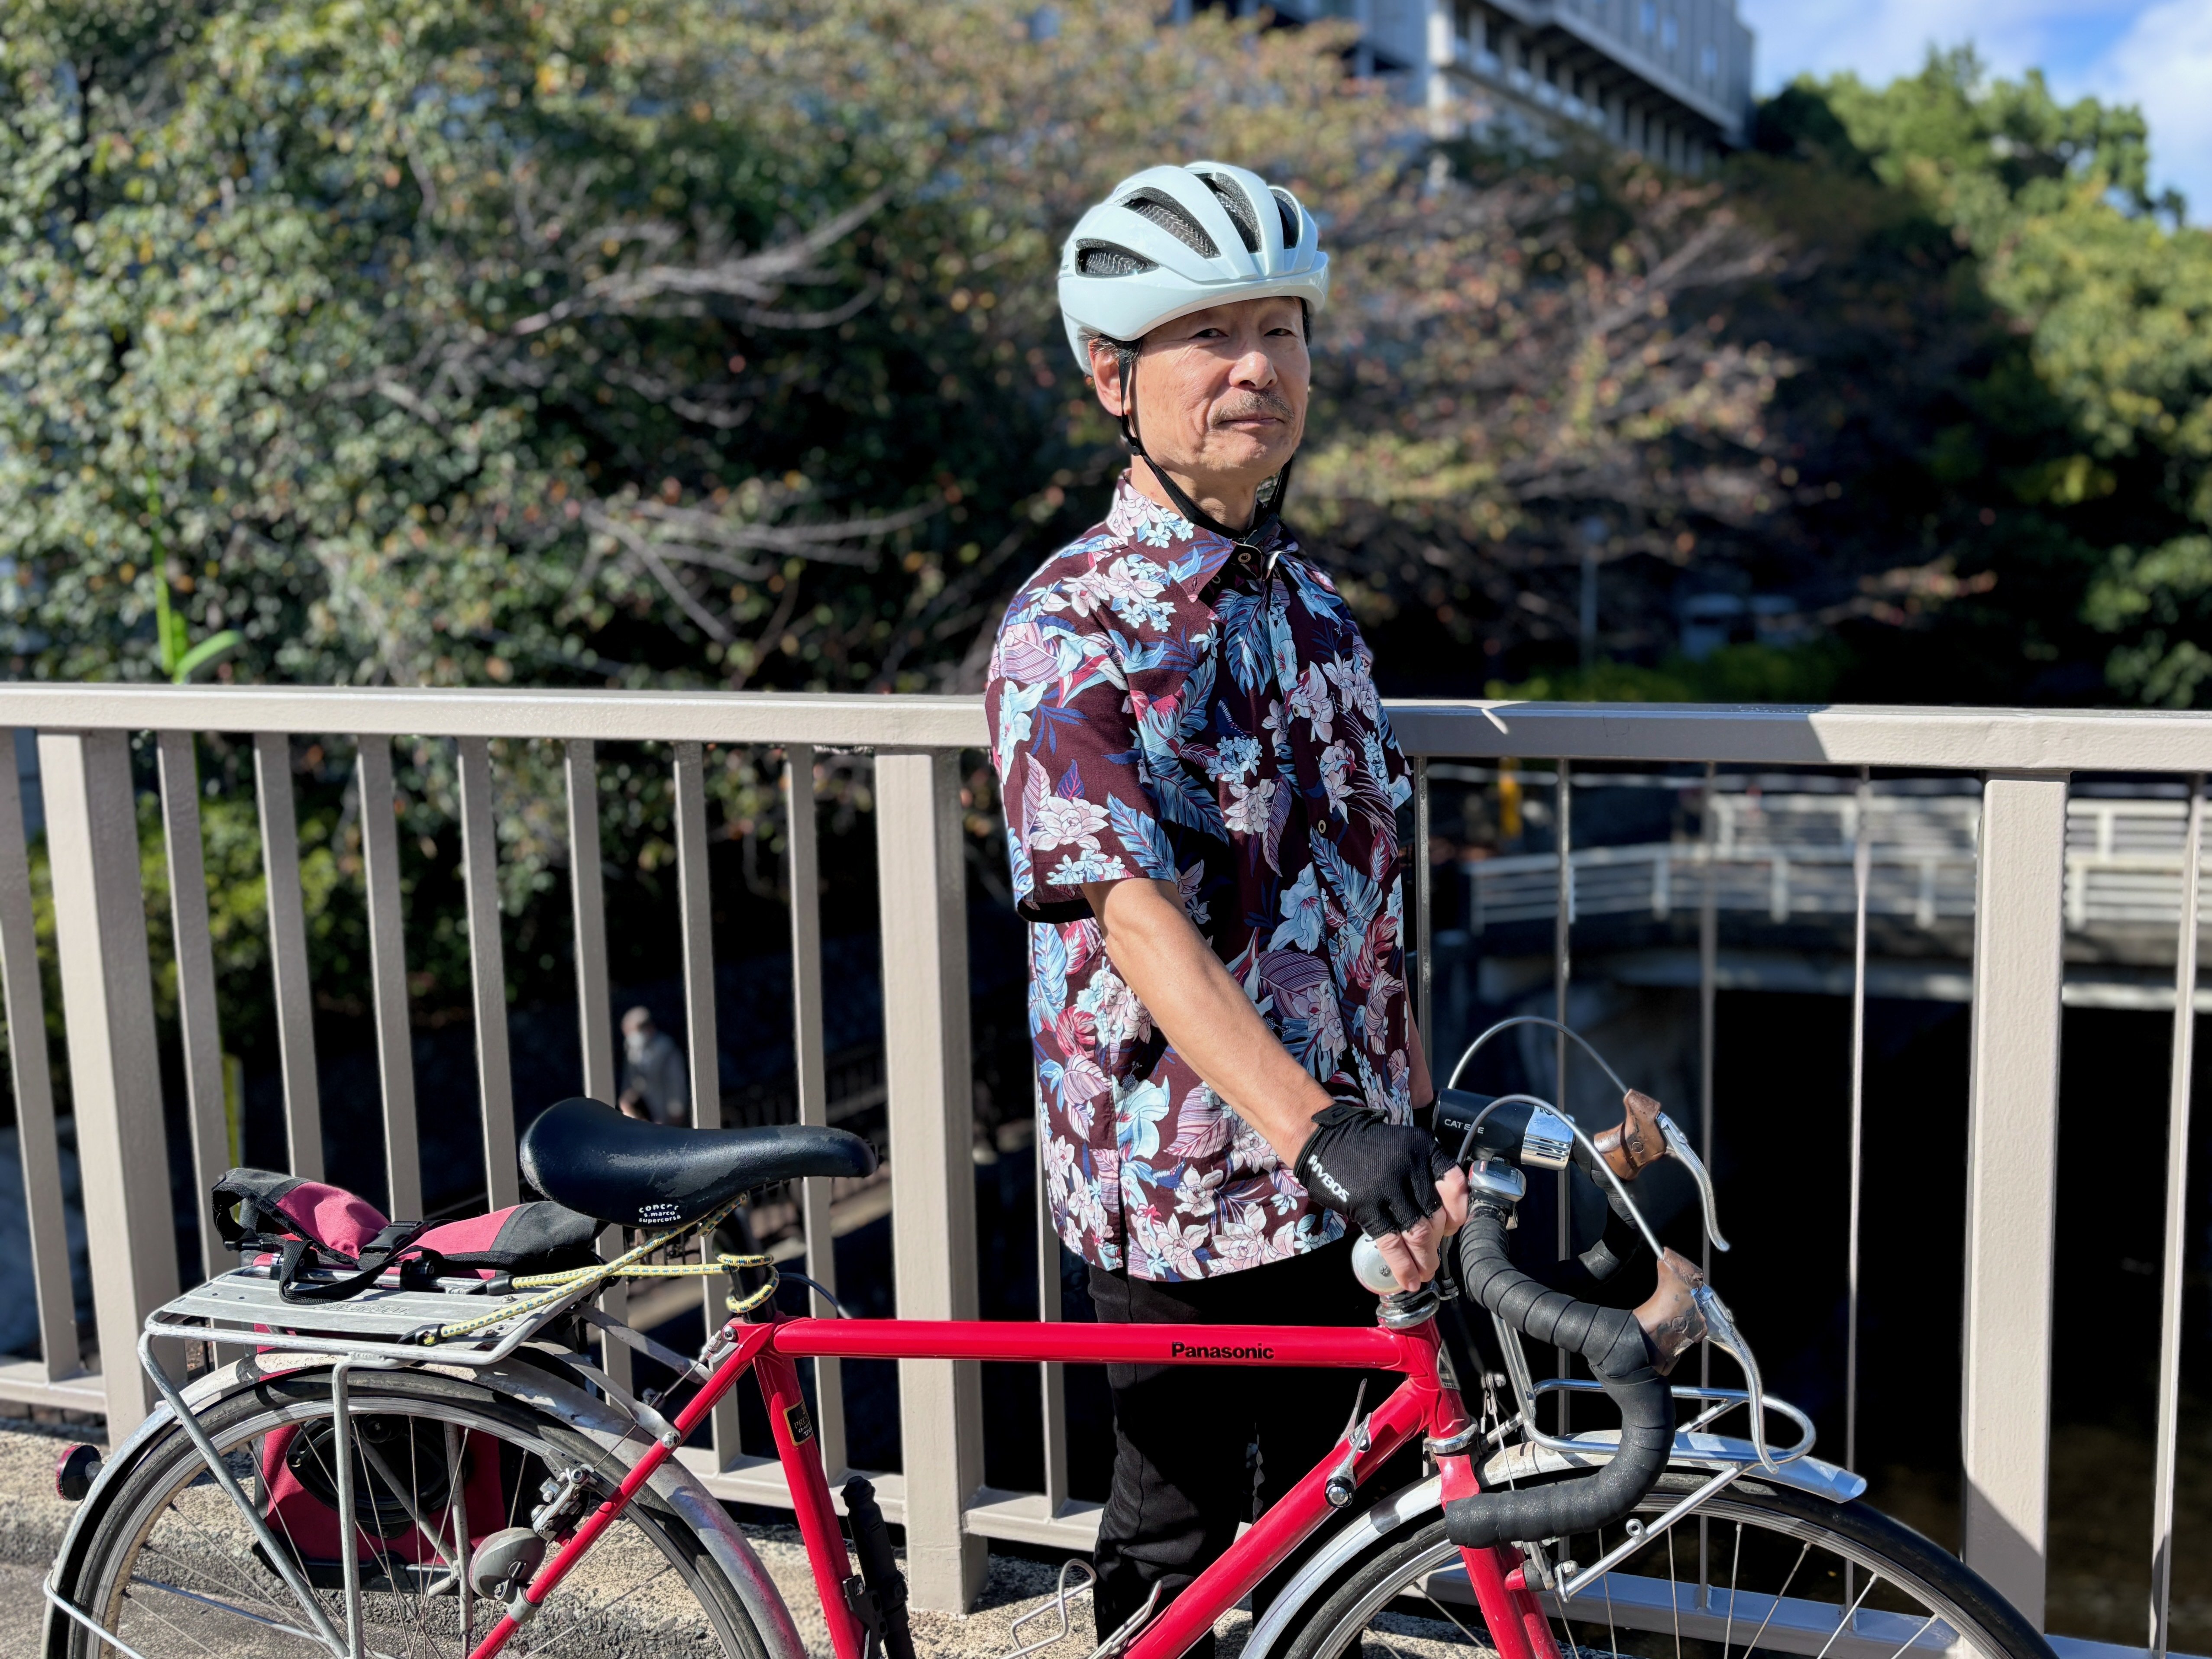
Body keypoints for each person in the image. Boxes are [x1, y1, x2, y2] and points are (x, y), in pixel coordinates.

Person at [983, 162, 1469, 1651]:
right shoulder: (1067, 626)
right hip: (1185, 1176)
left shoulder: (1309, 602)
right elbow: (1127, 915)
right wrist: (1320, 1128)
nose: (1254, 366)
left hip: (1350, 1162)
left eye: (1280, 328)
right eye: (1206, 336)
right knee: (1178, 1543)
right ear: (1111, 379)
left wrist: (1399, 1121)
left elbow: (1357, 906)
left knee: (1346, 1522)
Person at [618, 1006, 690, 1125]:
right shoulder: (632, 1050)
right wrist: (627, 1102)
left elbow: (676, 1081)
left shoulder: (666, 1049)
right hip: (645, 1114)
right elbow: (631, 1081)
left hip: (666, 1112)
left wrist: (677, 1109)